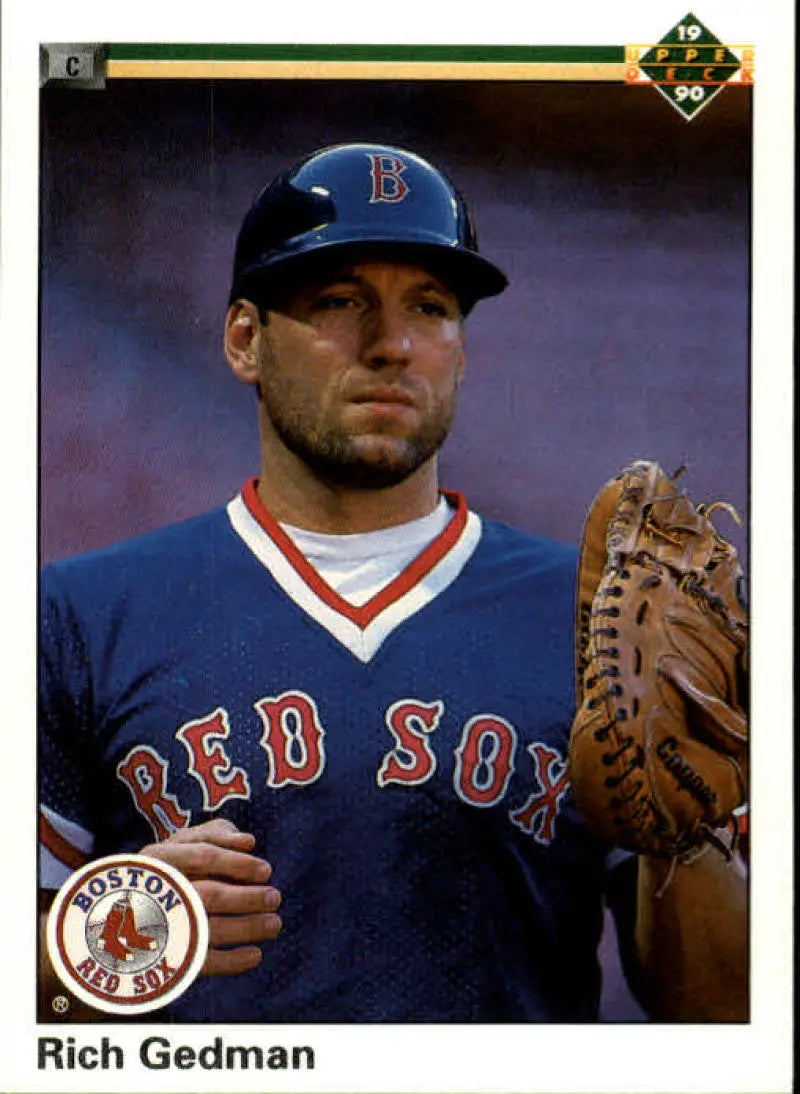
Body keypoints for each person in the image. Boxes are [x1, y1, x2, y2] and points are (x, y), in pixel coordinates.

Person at [39, 142, 747, 1022]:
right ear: (243, 340)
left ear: (461, 347)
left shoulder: (596, 619)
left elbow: (721, 1019)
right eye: (340, 302)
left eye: (432, 307)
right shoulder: (80, 614)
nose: (394, 344)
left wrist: (691, 833)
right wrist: (110, 930)